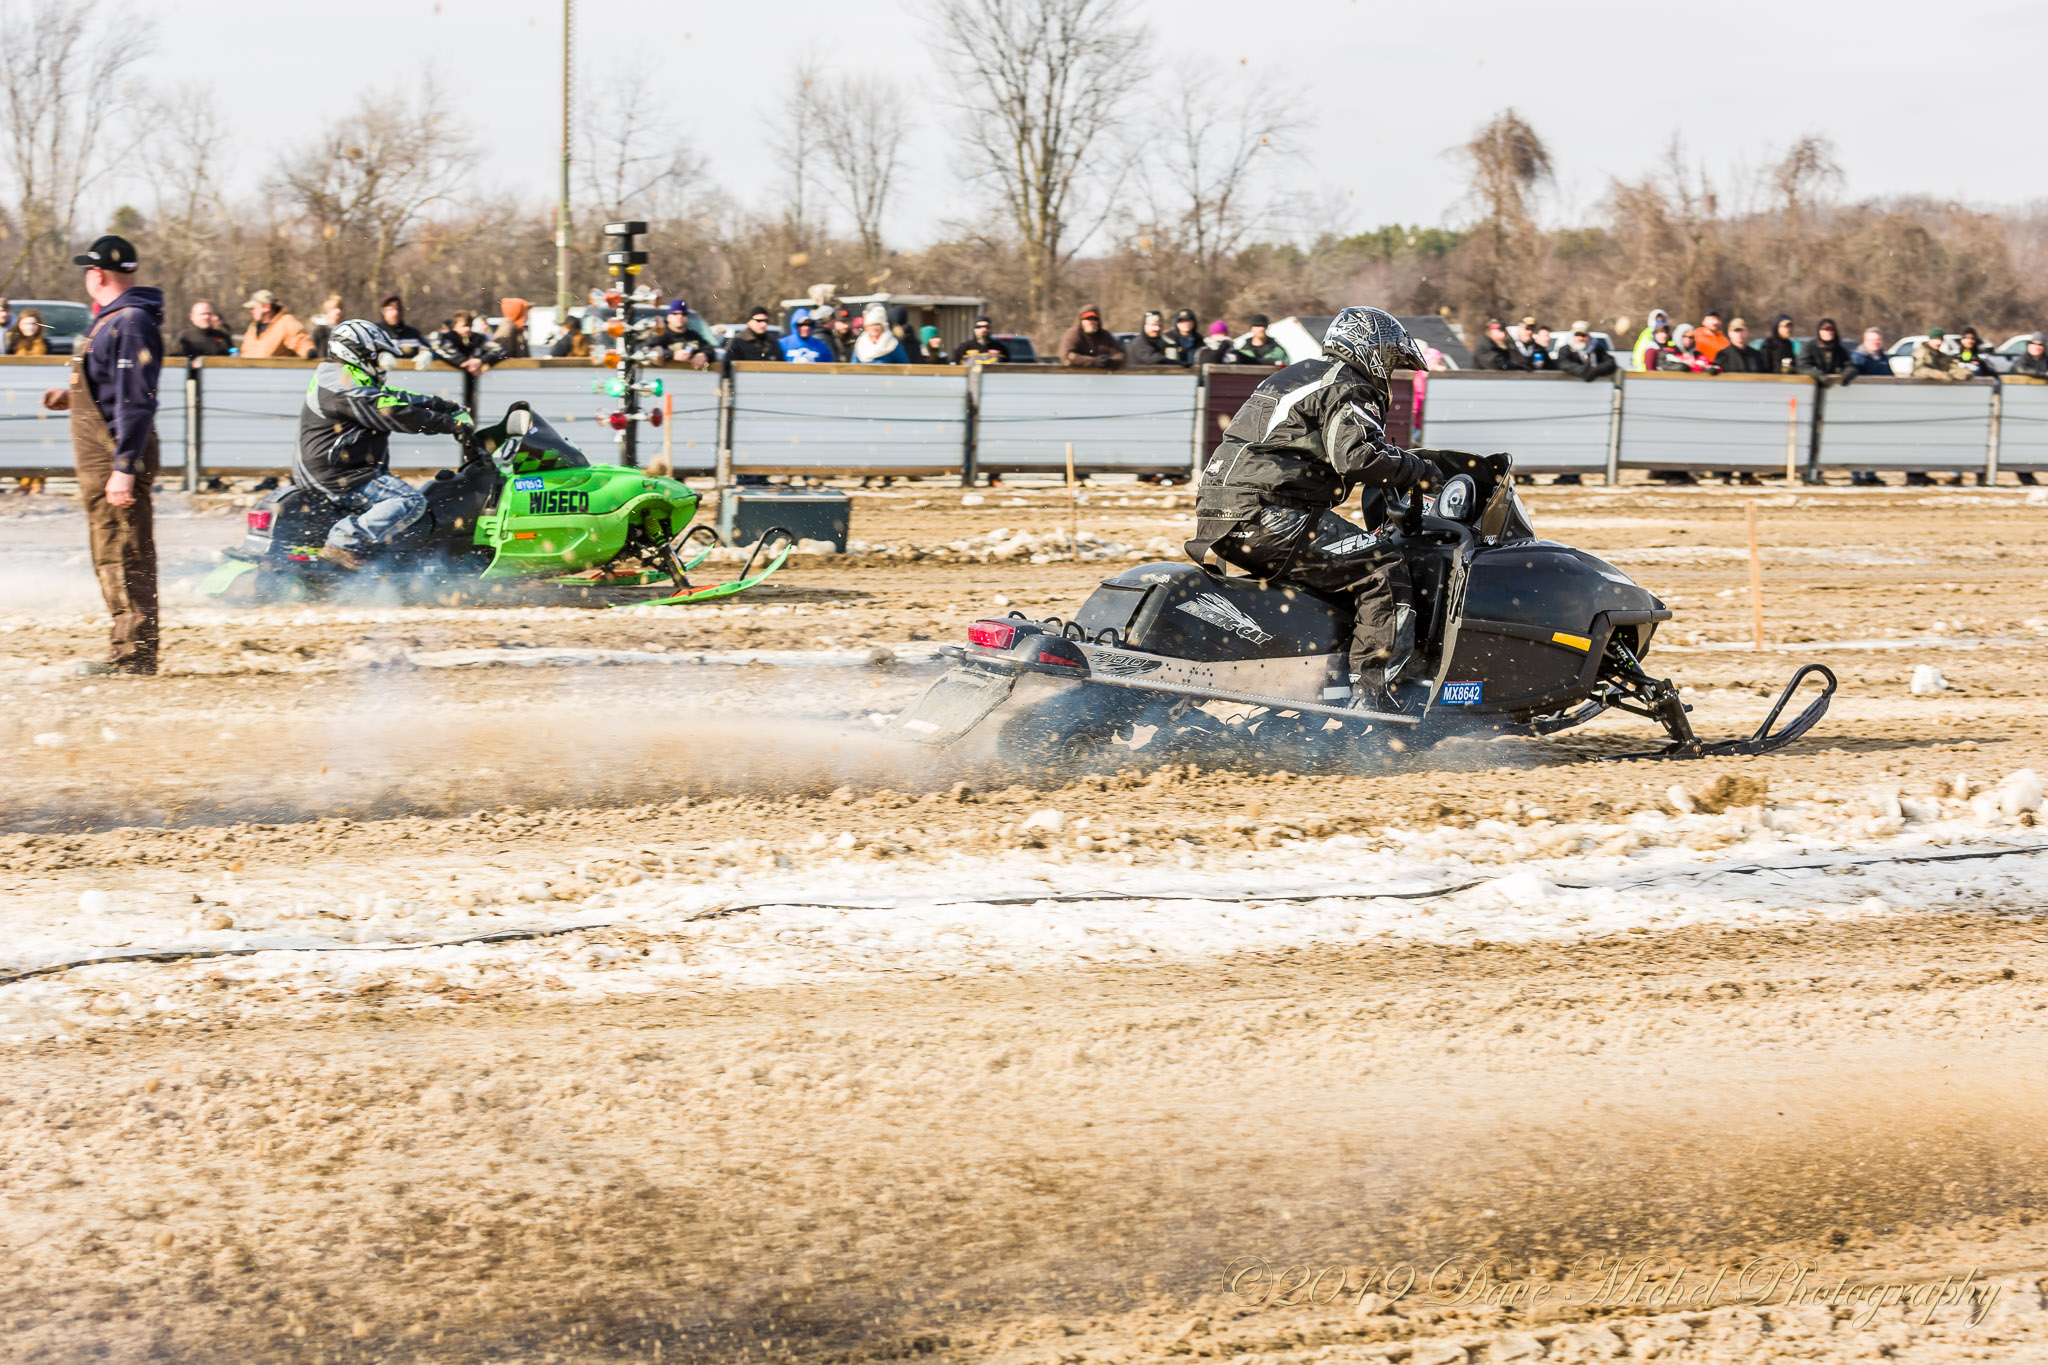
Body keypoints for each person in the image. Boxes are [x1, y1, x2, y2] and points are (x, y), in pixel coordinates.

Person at [1190, 306, 1492, 713]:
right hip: (1272, 513)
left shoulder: (1297, 375)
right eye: (1389, 361)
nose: (1389, 371)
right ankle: (1375, 695)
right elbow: (1357, 457)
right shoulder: (1347, 384)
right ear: (1369, 349)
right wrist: (1421, 470)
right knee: (1382, 568)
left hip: (1223, 510)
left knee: (1330, 573)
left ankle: (1313, 680)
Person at [37, 235, 163, 675]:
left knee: (125, 552)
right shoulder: (112, 320)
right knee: (112, 550)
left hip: (115, 456)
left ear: (97, 273)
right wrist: (71, 396)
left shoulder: (129, 321)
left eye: (88, 270)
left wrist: (124, 467)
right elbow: (113, 390)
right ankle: (129, 650)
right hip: (108, 455)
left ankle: (133, 656)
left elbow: (136, 401)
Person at [295, 320, 472, 571]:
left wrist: (443, 406)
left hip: (335, 467)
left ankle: (380, 558)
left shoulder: (340, 376)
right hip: (339, 474)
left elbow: (392, 397)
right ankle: (343, 542)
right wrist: (451, 425)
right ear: (358, 352)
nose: (380, 362)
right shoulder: (343, 386)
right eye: (376, 354)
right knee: (409, 500)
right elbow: (392, 412)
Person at [240, 289, 316, 358]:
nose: (251, 311)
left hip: (276, 368)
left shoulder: (286, 322)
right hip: (248, 368)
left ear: (266, 307)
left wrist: (309, 351)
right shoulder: (253, 328)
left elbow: (300, 340)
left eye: (253, 308)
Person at [430, 309, 502, 374]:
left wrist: (481, 360)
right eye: (464, 326)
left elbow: (498, 349)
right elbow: (442, 349)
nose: (468, 329)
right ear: (454, 326)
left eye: (470, 326)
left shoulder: (478, 338)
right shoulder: (445, 337)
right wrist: (466, 363)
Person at [647, 300, 715, 368]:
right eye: (675, 314)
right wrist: (672, 355)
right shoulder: (660, 335)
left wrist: (703, 355)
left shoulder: (693, 336)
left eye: (683, 314)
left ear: (687, 317)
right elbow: (647, 350)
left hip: (689, 373)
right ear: (668, 317)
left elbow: (708, 348)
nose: (680, 317)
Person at [1058, 304, 1126, 369]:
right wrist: (1093, 361)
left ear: (1098, 321)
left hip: (1101, 376)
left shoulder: (1106, 336)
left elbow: (1120, 355)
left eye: (1094, 318)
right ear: (1081, 321)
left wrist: (1111, 361)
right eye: (1087, 318)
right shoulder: (1073, 335)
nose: (1091, 322)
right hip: (1075, 375)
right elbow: (1066, 356)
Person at [1797, 318, 1853, 383]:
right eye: (1826, 329)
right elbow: (1802, 366)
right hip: (1810, 384)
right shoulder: (1809, 347)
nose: (1829, 332)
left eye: (1831, 329)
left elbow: (1850, 366)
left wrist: (1847, 374)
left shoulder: (1840, 350)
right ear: (1819, 331)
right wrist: (1818, 375)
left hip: (1834, 385)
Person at [309, 293, 344, 358]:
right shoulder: (320, 330)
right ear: (327, 310)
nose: (338, 311)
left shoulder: (345, 328)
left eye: (340, 308)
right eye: (335, 308)